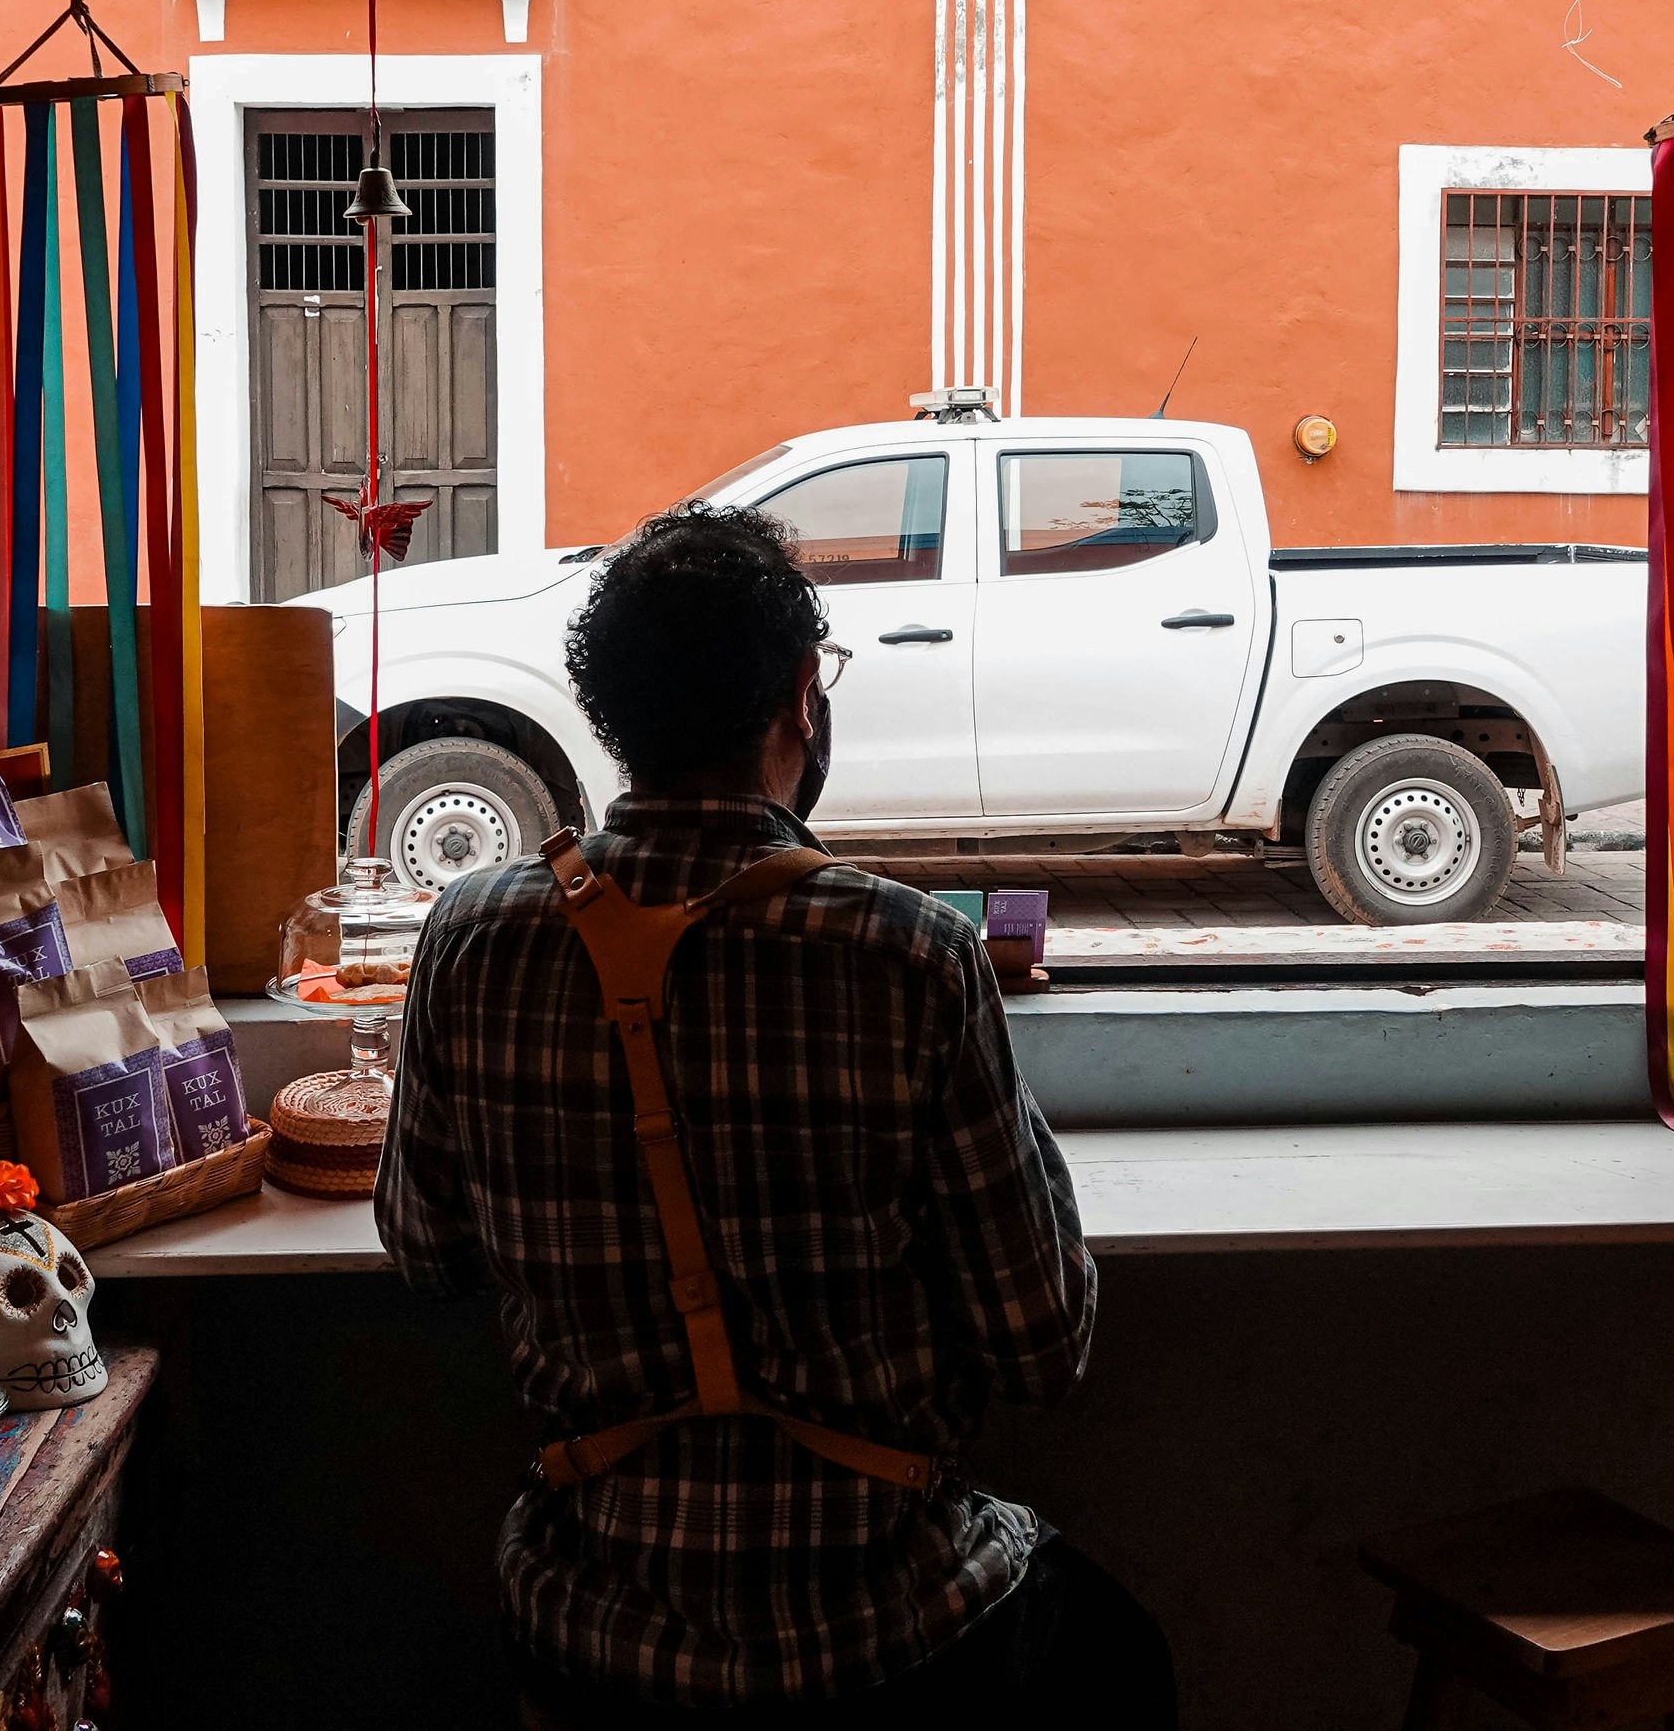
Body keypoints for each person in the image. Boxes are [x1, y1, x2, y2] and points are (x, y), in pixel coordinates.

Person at [377, 502, 1174, 1727]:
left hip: (591, 1635)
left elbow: (427, 1255)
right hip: (885, 1634)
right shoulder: (910, 952)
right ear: (804, 695)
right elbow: (1041, 1345)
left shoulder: (472, 936)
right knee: (1125, 1659)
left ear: (612, 713)